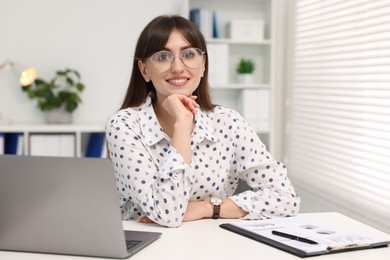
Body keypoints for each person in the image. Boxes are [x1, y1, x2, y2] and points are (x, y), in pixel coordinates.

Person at [105, 15, 300, 228]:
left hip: (212, 244)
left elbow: (286, 198)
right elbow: (168, 214)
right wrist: (182, 124)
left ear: (203, 64)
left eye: (189, 54)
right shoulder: (124, 125)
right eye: (163, 57)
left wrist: (208, 207)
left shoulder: (228, 122)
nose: (178, 67)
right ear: (144, 70)